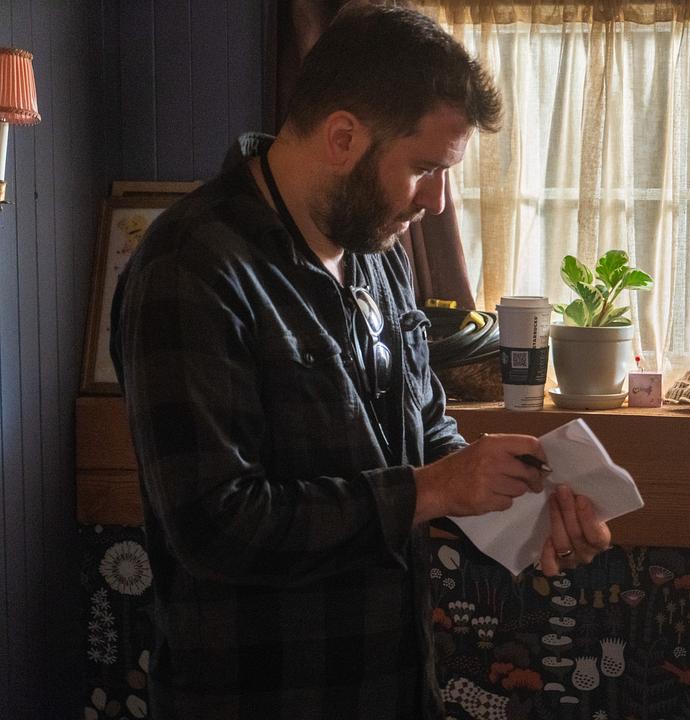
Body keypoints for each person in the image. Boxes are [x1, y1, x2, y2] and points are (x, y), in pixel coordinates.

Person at [109, 6, 611, 719]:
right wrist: (433, 489)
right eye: (424, 168)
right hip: (257, 696)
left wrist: (530, 510)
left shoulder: (378, 253)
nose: (437, 201)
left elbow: (425, 436)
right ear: (343, 136)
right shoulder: (191, 267)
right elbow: (215, 527)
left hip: (393, 684)